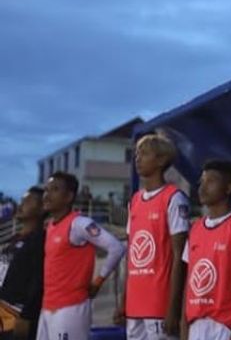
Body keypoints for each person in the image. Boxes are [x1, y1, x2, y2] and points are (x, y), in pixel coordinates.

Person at [116, 134, 190, 340]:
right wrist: (124, 301)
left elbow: (180, 257)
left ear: (161, 160)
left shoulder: (174, 198)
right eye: (137, 154)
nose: (137, 158)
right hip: (135, 306)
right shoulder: (135, 201)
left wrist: (173, 308)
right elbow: (131, 256)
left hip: (159, 305)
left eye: (145, 154)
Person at [36, 172, 126, 340]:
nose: (47, 195)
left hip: (70, 308)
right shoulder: (50, 226)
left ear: (69, 196)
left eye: (54, 189)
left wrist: (98, 281)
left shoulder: (79, 224)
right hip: (47, 307)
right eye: (46, 190)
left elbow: (116, 247)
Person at [181, 160, 231, 340]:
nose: (203, 187)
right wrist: (183, 321)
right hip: (196, 322)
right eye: (202, 182)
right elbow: (189, 279)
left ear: (229, 188)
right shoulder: (195, 229)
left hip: (224, 324)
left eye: (211, 181)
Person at [0, 187, 45, 340]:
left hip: (17, 315)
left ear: (42, 208)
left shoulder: (40, 240)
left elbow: (38, 281)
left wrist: (26, 316)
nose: (21, 205)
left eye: (27, 201)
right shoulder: (13, 239)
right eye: (21, 201)